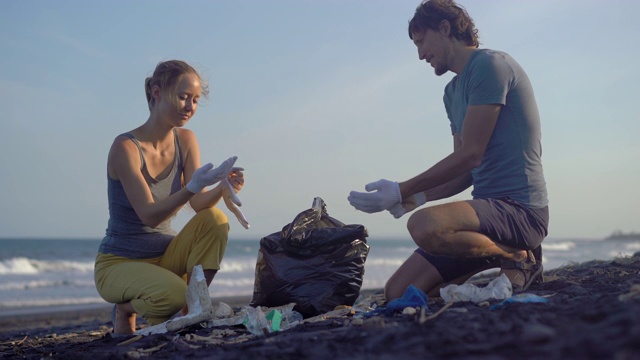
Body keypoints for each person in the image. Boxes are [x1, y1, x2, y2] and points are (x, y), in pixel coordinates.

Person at [348, 0, 549, 300]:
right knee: (399, 292)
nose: (420, 55)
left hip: (521, 211)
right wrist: (416, 197)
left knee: (423, 225)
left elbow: (471, 154)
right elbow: (465, 169)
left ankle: (518, 257)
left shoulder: (490, 66)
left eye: (421, 41)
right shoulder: (452, 92)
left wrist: (401, 188)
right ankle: (504, 266)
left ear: (445, 28)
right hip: (487, 217)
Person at [94, 60, 245, 335]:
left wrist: (221, 187)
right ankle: (126, 308)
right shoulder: (125, 147)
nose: (190, 106)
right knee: (175, 295)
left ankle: (190, 310)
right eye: (183, 97)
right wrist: (190, 188)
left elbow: (198, 204)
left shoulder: (186, 140)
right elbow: (149, 215)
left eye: (196, 100)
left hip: (165, 256)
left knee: (215, 219)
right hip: (120, 263)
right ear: (156, 92)